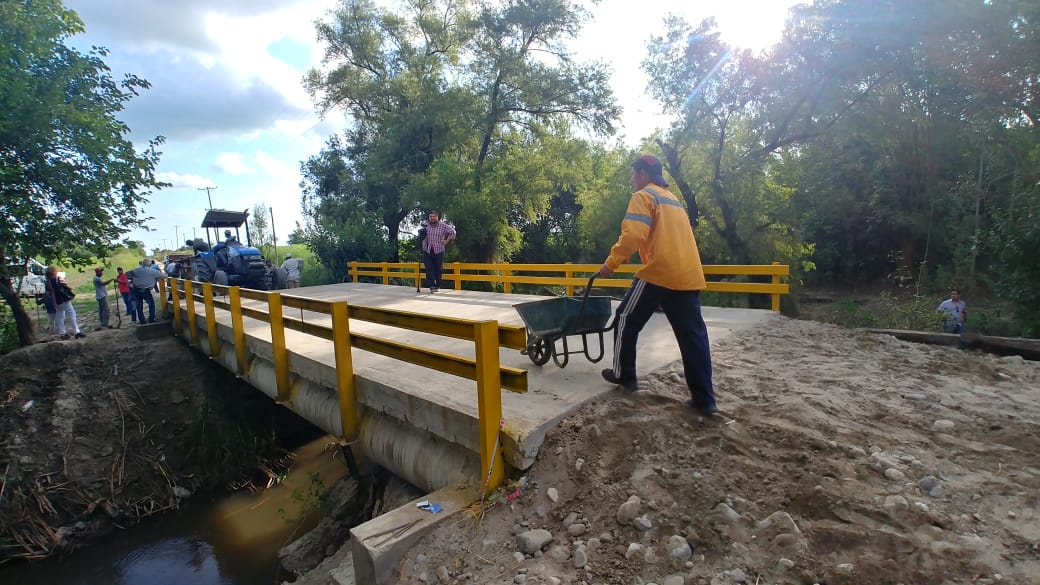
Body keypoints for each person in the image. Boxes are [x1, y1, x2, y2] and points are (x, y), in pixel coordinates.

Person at [597, 154, 718, 417]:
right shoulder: (673, 200)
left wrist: (611, 264)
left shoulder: (644, 196)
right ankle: (705, 400)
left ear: (643, 174)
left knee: (625, 318)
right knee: (693, 337)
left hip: (659, 271)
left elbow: (633, 236)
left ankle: (624, 375)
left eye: (633, 174)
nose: (632, 180)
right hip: (688, 275)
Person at [44, 265, 85, 340]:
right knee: (71, 314)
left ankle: (62, 333)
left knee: (59, 317)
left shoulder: (47, 282)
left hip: (55, 301)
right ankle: (77, 332)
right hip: (63, 299)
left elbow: (48, 293)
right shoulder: (58, 278)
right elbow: (65, 286)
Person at [420, 211, 456, 292]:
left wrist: (447, 241)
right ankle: (432, 285)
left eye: (433, 216)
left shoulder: (443, 225)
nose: (432, 218)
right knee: (428, 268)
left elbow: (453, 232)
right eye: (430, 217)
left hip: (439, 250)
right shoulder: (426, 225)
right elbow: (421, 235)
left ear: (437, 217)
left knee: (438, 269)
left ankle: (437, 285)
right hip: (427, 250)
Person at [129, 259, 159, 324]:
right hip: (145, 290)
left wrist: (132, 282)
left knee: (139, 306)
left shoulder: (136, 269)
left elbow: (128, 275)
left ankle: (142, 321)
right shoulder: (147, 270)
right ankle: (151, 318)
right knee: (151, 304)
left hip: (137, 290)